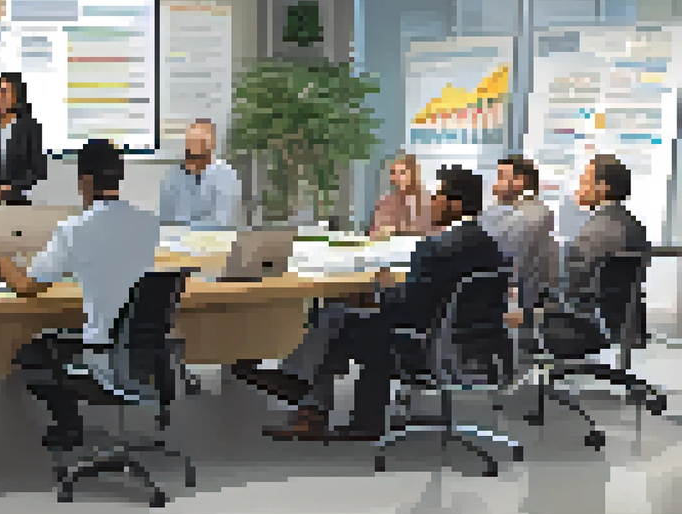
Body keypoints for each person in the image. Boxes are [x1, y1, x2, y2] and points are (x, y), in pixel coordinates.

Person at [232, 166, 511, 441]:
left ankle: (303, 394)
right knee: (341, 319)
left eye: (437, 196)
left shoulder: (436, 249)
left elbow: (409, 307)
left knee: (336, 319)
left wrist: (380, 292)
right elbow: (437, 298)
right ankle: (311, 397)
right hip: (476, 345)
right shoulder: (489, 245)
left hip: (424, 343)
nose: (431, 202)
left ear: (455, 204)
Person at [0, 139, 161, 451]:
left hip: (102, 354)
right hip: (146, 354)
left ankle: (70, 425)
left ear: (84, 181)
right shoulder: (150, 224)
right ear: (120, 176)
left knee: (29, 353)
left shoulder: (75, 229)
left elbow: (26, 286)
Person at [566, 154, 649, 337]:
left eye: (584, 182)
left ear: (602, 187)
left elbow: (576, 282)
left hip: (592, 323)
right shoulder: (632, 224)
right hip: (626, 319)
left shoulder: (598, 228)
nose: (578, 189)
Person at [480, 155, 557, 316]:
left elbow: (499, 246)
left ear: (520, 181)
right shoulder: (503, 210)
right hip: (508, 296)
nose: (495, 183)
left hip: (523, 302)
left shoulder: (536, 214)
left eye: (501, 176)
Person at [0, 72, 45, 205]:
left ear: (17, 96)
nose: (1, 97)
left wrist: (11, 188)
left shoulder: (30, 128)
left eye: (5, 92)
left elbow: (37, 170)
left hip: (18, 200)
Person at [158, 118, 240, 228]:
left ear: (211, 146)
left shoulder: (225, 174)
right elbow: (165, 215)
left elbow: (221, 219)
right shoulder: (173, 175)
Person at [370, 152, 434, 238]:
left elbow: (432, 229)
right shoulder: (386, 201)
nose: (397, 177)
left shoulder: (427, 199)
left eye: (402, 172)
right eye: (394, 172)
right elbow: (375, 231)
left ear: (413, 173)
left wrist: (394, 229)